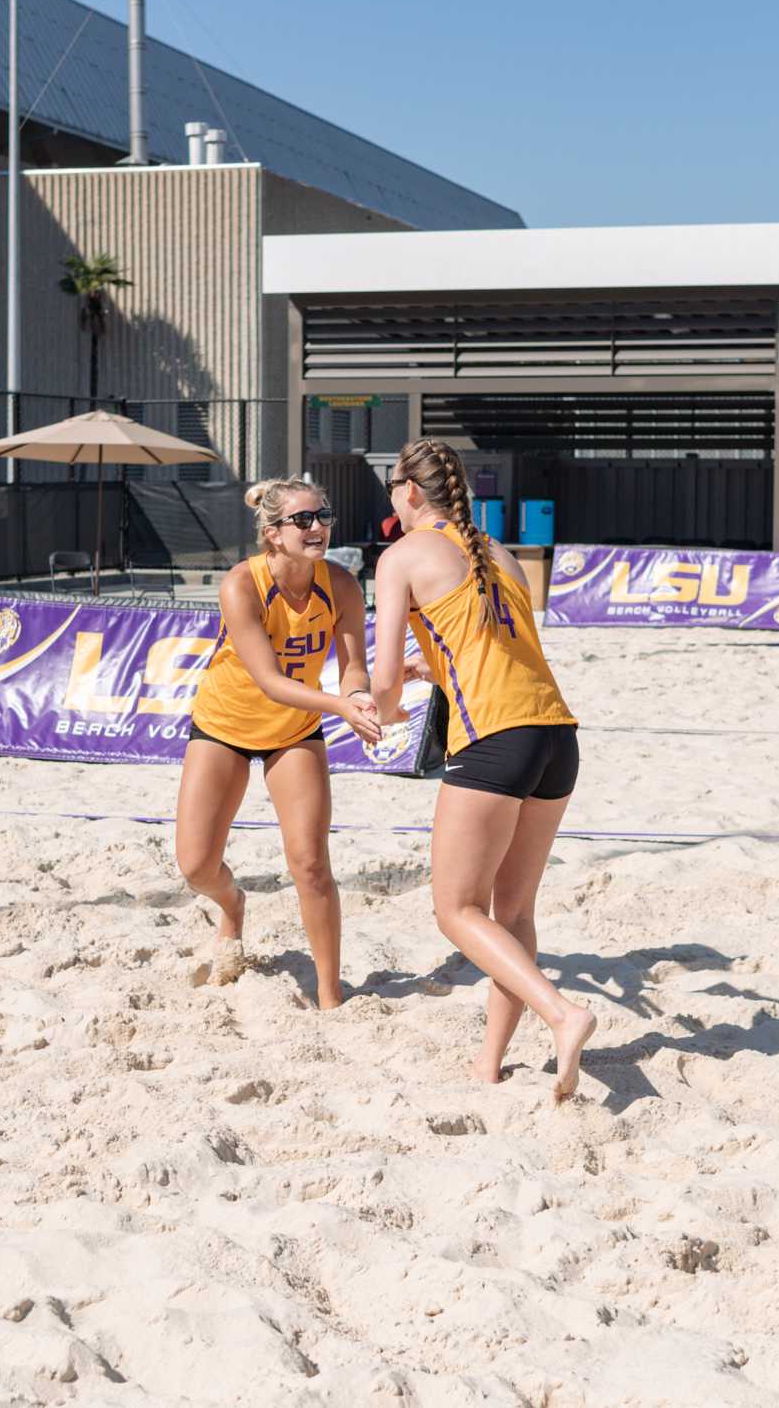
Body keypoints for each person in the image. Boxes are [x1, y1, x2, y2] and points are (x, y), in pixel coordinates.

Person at [369, 438, 597, 1100]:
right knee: (513, 909)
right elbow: (500, 649)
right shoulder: (498, 552)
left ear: (412, 491)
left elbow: (383, 681)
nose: (391, 498)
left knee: (455, 909)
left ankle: (563, 1013)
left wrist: (377, 708)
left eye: (391, 486)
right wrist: (428, 665)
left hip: (496, 739)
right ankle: (487, 1064)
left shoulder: (403, 555)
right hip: (555, 734)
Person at [176, 479, 381, 1011]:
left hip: (294, 731)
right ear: (273, 534)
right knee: (197, 867)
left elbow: (355, 666)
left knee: (310, 864)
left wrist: (356, 696)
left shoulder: (342, 585)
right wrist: (339, 706)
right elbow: (268, 680)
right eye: (303, 520)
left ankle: (332, 995)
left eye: (324, 515)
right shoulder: (242, 584)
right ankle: (233, 905)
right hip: (226, 723)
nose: (318, 527)